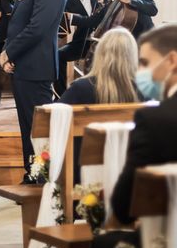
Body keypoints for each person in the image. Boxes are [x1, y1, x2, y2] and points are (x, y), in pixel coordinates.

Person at [92, 24, 177, 248]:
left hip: (176, 238)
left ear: (172, 61)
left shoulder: (154, 120)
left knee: (102, 243)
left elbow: (124, 207)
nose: (141, 72)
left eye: (145, 63)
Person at [0, 0, 67, 183]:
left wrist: (8, 52)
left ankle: (44, 179)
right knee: (28, 127)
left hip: (36, 67)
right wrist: (10, 53)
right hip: (24, 65)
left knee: (39, 130)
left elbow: (37, 28)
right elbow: (18, 22)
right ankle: (32, 175)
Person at [59, 27, 141, 184]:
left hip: (83, 174)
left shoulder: (80, 88)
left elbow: (51, 121)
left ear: (100, 54)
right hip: (130, 172)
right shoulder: (145, 91)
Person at [54, 0, 99, 96]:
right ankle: (61, 96)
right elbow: (63, 28)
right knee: (58, 55)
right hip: (82, 42)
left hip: (101, 41)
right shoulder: (67, 1)